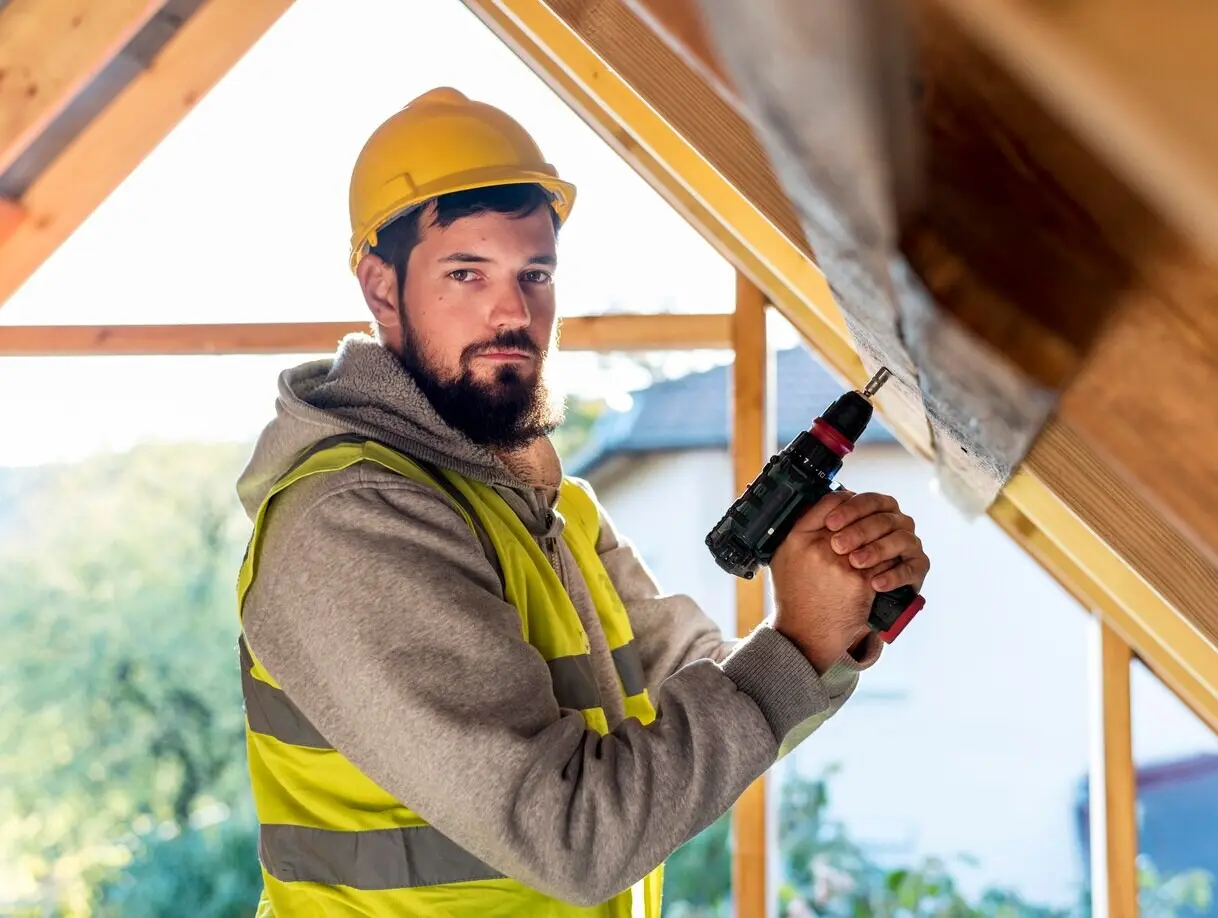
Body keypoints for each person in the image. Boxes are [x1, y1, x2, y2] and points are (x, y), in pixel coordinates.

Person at [234, 87, 930, 918]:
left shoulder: (550, 507)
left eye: (536, 273)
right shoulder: (351, 523)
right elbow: (572, 837)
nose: (513, 312)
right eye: (467, 273)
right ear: (382, 290)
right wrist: (798, 640)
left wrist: (833, 611)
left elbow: (717, 698)